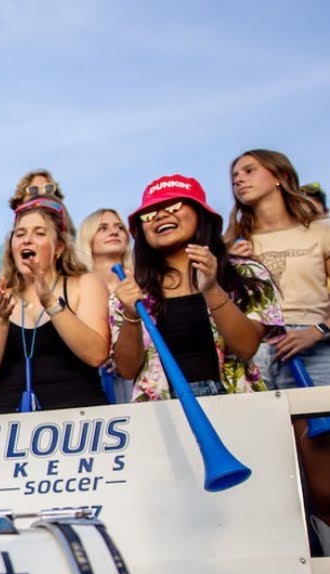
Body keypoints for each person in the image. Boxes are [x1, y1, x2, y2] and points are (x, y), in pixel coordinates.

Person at [224, 150, 330, 540]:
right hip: (255, 352)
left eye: (250, 170)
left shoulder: (320, 231)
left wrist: (317, 329)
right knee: (274, 469)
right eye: (234, 174)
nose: (239, 179)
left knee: (324, 475)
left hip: (315, 349)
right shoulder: (232, 242)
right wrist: (226, 269)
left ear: (280, 176)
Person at [113, 174, 281, 402]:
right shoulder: (130, 289)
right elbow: (127, 370)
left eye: (173, 205)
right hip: (161, 416)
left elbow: (246, 347)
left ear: (201, 215)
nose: (161, 215)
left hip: (236, 405)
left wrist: (211, 288)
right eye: (149, 214)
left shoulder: (245, 273)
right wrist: (131, 313)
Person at [0, 197, 111, 411]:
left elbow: (96, 355)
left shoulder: (85, 284)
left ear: (59, 247)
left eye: (39, 233)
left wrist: (51, 303)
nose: (27, 240)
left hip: (81, 425)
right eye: (20, 234)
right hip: (14, 427)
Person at [79, 208, 135, 403]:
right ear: (88, 238)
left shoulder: (142, 280)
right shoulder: (76, 285)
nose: (114, 232)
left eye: (119, 227)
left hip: (139, 380)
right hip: (91, 382)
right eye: (103, 228)